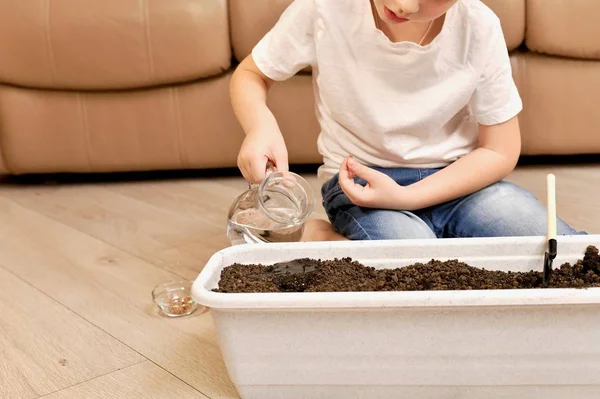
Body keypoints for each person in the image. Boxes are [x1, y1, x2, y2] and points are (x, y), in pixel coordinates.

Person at [230, 0, 583, 241]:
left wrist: (410, 197)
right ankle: (342, 239)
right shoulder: (325, 9)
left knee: (559, 249)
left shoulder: (479, 26)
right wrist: (260, 126)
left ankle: (331, 243)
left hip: (460, 183)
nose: (405, 5)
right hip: (363, 185)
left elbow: (500, 150)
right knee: (415, 266)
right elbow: (251, 74)